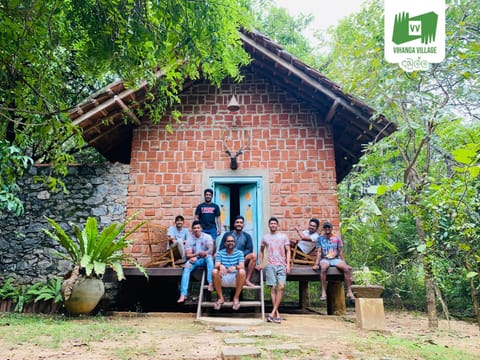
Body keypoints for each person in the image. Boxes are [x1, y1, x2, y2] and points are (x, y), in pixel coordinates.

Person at [256, 217, 290, 324]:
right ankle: (277, 314)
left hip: (281, 265)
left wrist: (288, 264)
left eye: (275, 223)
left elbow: (288, 251)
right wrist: (261, 263)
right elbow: (261, 251)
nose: (273, 225)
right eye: (271, 223)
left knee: (281, 287)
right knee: (273, 288)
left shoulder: (283, 236)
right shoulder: (265, 237)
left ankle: (273, 312)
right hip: (270, 265)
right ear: (269, 225)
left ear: (277, 225)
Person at [312, 221, 355, 301]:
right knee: (323, 268)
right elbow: (319, 252)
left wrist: (344, 263)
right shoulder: (320, 239)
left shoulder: (337, 238)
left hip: (335, 259)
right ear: (324, 229)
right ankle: (323, 291)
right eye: (325, 227)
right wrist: (316, 264)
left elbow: (340, 252)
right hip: (325, 259)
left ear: (331, 228)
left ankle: (349, 291)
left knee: (346, 269)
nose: (327, 229)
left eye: (329, 227)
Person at [177, 221, 214, 303]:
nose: (196, 229)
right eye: (194, 228)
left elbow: (210, 251)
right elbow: (188, 255)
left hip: (205, 259)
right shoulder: (190, 239)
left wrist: (199, 255)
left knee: (209, 258)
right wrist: (197, 255)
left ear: (201, 229)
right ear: (192, 230)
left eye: (198, 228)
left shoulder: (207, 237)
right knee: (186, 267)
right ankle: (183, 294)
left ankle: (210, 282)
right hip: (195, 259)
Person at [219, 215, 257, 287]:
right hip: (228, 258)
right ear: (234, 224)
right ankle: (214, 280)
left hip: (241, 259)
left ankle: (247, 280)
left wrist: (239, 255)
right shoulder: (227, 234)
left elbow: (249, 249)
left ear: (243, 225)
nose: (239, 224)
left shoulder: (247, 236)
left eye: (241, 222)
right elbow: (221, 249)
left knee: (253, 256)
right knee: (215, 255)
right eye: (237, 222)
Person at [212, 234, 246, 311]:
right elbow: (216, 265)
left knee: (242, 271)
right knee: (214, 271)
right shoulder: (220, 253)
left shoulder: (239, 253)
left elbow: (242, 266)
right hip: (223, 277)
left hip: (235, 279)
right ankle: (221, 298)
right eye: (228, 241)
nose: (230, 243)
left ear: (234, 243)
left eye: (232, 241)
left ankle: (236, 298)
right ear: (225, 243)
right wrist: (220, 266)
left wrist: (235, 267)